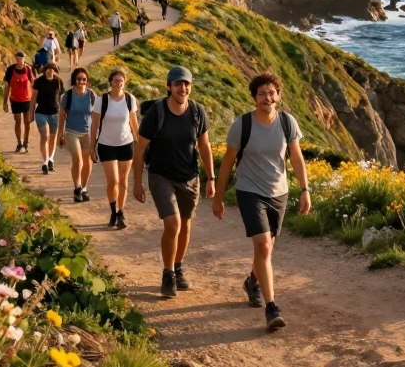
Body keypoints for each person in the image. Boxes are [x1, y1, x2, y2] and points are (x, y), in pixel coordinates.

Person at [212, 71, 311, 331]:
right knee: (264, 246)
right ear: (254, 98)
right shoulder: (242, 125)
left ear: (278, 95)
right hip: (249, 190)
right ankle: (272, 308)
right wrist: (218, 197)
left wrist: (305, 189)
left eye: (271, 92)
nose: (267, 97)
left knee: (266, 249)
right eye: (261, 93)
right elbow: (228, 163)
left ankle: (252, 282)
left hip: (279, 192)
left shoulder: (287, 122)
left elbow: (297, 158)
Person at [133, 66, 216, 298]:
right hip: (161, 176)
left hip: (189, 177)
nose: (183, 88)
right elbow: (139, 149)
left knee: (186, 224)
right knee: (173, 224)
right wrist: (137, 182)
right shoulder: (157, 112)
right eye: (178, 84)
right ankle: (168, 273)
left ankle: (178, 267)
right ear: (169, 87)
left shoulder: (197, 112)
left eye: (187, 84)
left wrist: (211, 177)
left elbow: (205, 146)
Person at [90, 66, 139, 229]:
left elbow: (134, 123)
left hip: (126, 143)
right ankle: (113, 211)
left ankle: (120, 213)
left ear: (125, 82)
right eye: (116, 80)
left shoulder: (130, 99)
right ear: (110, 82)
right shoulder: (101, 100)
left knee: (124, 182)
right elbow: (94, 125)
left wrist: (139, 143)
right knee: (113, 181)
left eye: (121, 80)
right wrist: (92, 146)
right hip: (106, 144)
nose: (118, 83)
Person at [57, 67, 96, 202]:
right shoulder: (67, 96)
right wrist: (60, 133)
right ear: (74, 80)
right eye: (79, 79)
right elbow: (62, 115)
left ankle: (84, 188)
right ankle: (77, 187)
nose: (81, 81)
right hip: (71, 132)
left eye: (84, 79)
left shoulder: (92, 95)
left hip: (88, 133)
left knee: (88, 162)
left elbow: (96, 116)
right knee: (78, 160)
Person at [30, 62, 63, 174]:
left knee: (53, 138)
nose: (50, 71)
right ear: (44, 70)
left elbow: (61, 98)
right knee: (44, 136)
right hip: (41, 113)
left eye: (52, 69)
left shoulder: (58, 81)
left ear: (55, 71)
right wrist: (31, 113)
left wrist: (63, 113)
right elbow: (33, 98)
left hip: (55, 113)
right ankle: (45, 161)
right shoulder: (38, 82)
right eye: (48, 69)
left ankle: (51, 159)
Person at [2, 51, 35, 153]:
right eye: (18, 58)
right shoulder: (10, 69)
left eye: (22, 58)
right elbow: (6, 87)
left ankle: (25, 142)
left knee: (27, 121)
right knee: (17, 120)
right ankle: (19, 143)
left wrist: (34, 100)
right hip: (15, 100)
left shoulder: (28, 69)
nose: (20, 60)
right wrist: (5, 102)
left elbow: (33, 84)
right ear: (15, 58)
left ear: (24, 58)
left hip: (27, 100)